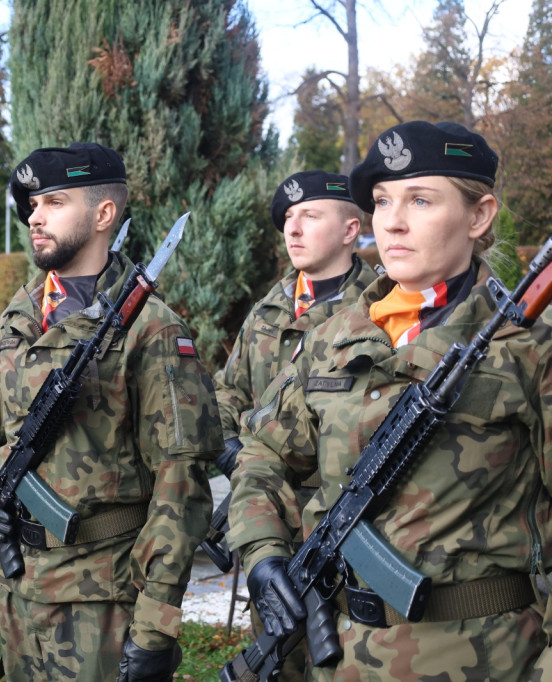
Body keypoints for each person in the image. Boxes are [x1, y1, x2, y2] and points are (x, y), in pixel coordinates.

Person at [227, 120, 552, 680]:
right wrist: (262, 553)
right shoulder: (334, 336)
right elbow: (263, 451)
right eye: (381, 201)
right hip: (339, 658)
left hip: (478, 658)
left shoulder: (528, 350)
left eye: (420, 200)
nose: (393, 223)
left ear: (479, 216)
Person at [0, 142, 222, 680]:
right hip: (19, 592)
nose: (35, 216)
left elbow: (181, 486)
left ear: (103, 214)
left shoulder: (150, 329)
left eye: (54, 202)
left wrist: (155, 627)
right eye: (32, 205)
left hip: (104, 604)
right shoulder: (16, 320)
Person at [214, 170, 376, 477]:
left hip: (336, 503)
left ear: (349, 230)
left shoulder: (376, 311)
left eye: (310, 216)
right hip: (254, 496)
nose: (293, 229)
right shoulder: (268, 310)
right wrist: (229, 448)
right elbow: (229, 389)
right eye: (289, 216)